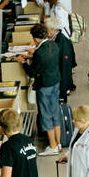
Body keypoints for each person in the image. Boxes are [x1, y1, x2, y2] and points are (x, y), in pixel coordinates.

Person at [20, 23, 62, 154]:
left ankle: (52, 146)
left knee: (45, 115)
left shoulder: (40, 53)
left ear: (36, 38)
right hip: (55, 82)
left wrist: (23, 62)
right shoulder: (53, 45)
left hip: (44, 86)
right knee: (55, 112)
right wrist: (32, 55)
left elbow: (32, 72)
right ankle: (58, 143)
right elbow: (46, 59)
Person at [38, 0, 75, 98]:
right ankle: (69, 85)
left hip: (63, 36)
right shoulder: (54, 6)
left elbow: (62, 23)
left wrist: (51, 24)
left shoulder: (58, 8)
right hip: (58, 34)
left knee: (64, 66)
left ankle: (66, 87)